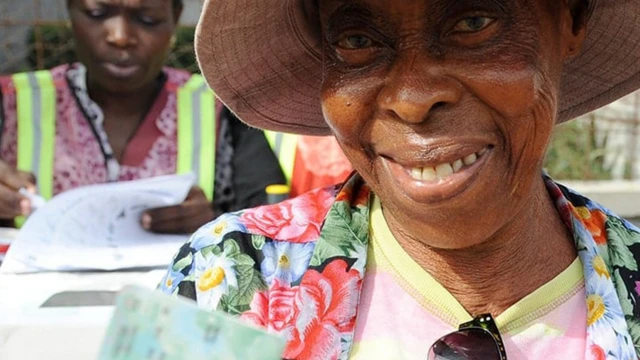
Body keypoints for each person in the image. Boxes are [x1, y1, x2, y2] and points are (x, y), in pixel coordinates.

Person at [161, 0, 640, 358]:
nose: (412, 98)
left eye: (473, 22)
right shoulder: (226, 278)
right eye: (357, 40)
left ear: (570, 19)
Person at [0, 0, 348, 234]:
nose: (120, 36)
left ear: (175, 16)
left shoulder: (219, 110)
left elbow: (268, 218)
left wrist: (214, 222)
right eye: (96, 13)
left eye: (147, 19)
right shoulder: (11, 103)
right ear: (70, 10)